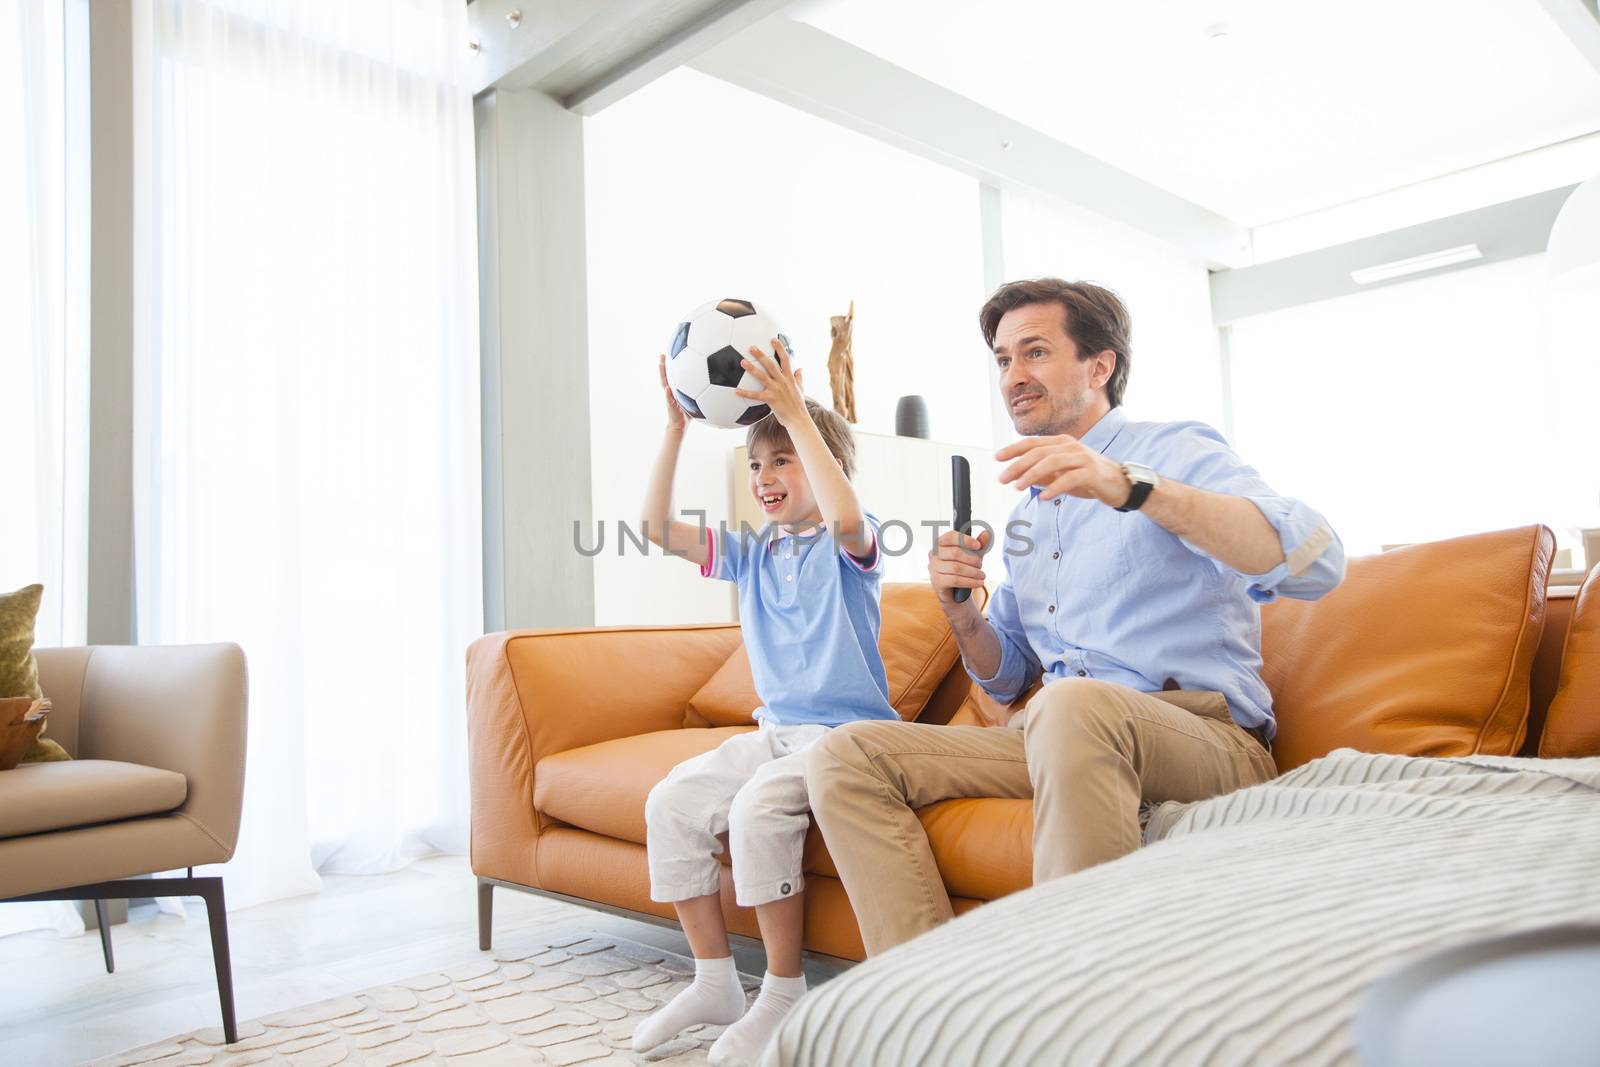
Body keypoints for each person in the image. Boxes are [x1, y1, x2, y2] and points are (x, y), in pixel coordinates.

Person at [805, 278, 1346, 956]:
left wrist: (1128, 486)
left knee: (1069, 707)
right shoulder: (1032, 509)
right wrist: (961, 608)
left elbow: (1316, 561)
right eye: (1003, 359)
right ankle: (930, 1000)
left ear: (1100, 366)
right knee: (847, 754)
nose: (1013, 376)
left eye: (1034, 352)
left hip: (1204, 735)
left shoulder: (1174, 449)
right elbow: (1005, 679)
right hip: (1059, 733)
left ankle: (1072, 1016)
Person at [632, 339, 897, 1065]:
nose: (766, 476)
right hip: (776, 732)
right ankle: (715, 980)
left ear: (820, 466)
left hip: (845, 739)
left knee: (757, 811)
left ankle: (783, 990)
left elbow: (844, 509)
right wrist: (676, 427)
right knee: (672, 802)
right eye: (756, 464)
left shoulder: (852, 545)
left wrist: (793, 413)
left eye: (782, 460)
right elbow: (656, 527)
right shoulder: (752, 553)